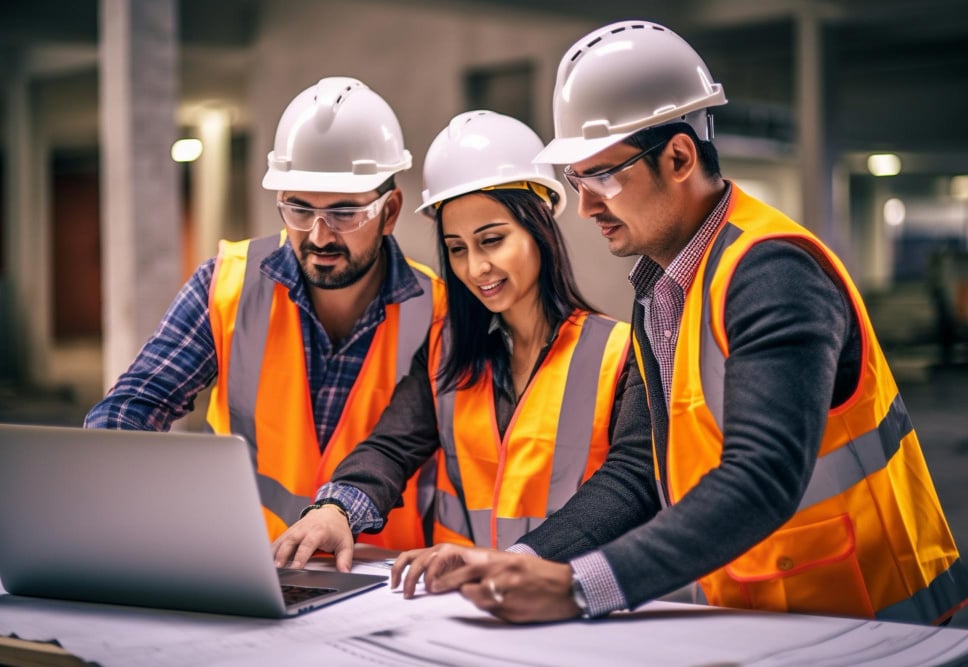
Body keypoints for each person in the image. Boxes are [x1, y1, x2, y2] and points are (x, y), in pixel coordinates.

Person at [392, 20, 968, 626]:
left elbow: (762, 476)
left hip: (869, 625)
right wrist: (522, 561)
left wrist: (580, 588)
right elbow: (642, 471)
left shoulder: (772, 272)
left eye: (602, 176)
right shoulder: (662, 292)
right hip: (760, 622)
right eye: (577, 181)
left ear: (679, 156)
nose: (585, 206)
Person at [85, 77, 446, 549]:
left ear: (390, 211)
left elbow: (404, 449)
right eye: (298, 208)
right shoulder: (227, 285)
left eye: (344, 212)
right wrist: (106, 473)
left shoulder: (440, 313)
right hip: (237, 560)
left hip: (377, 580)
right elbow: (138, 401)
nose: (319, 236)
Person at [270, 110, 632, 572]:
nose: (474, 268)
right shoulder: (447, 351)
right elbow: (391, 447)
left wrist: (519, 561)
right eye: (457, 248)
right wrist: (336, 509)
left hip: (565, 607)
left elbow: (626, 488)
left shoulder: (617, 355)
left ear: (540, 228)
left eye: (492, 240)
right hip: (462, 608)